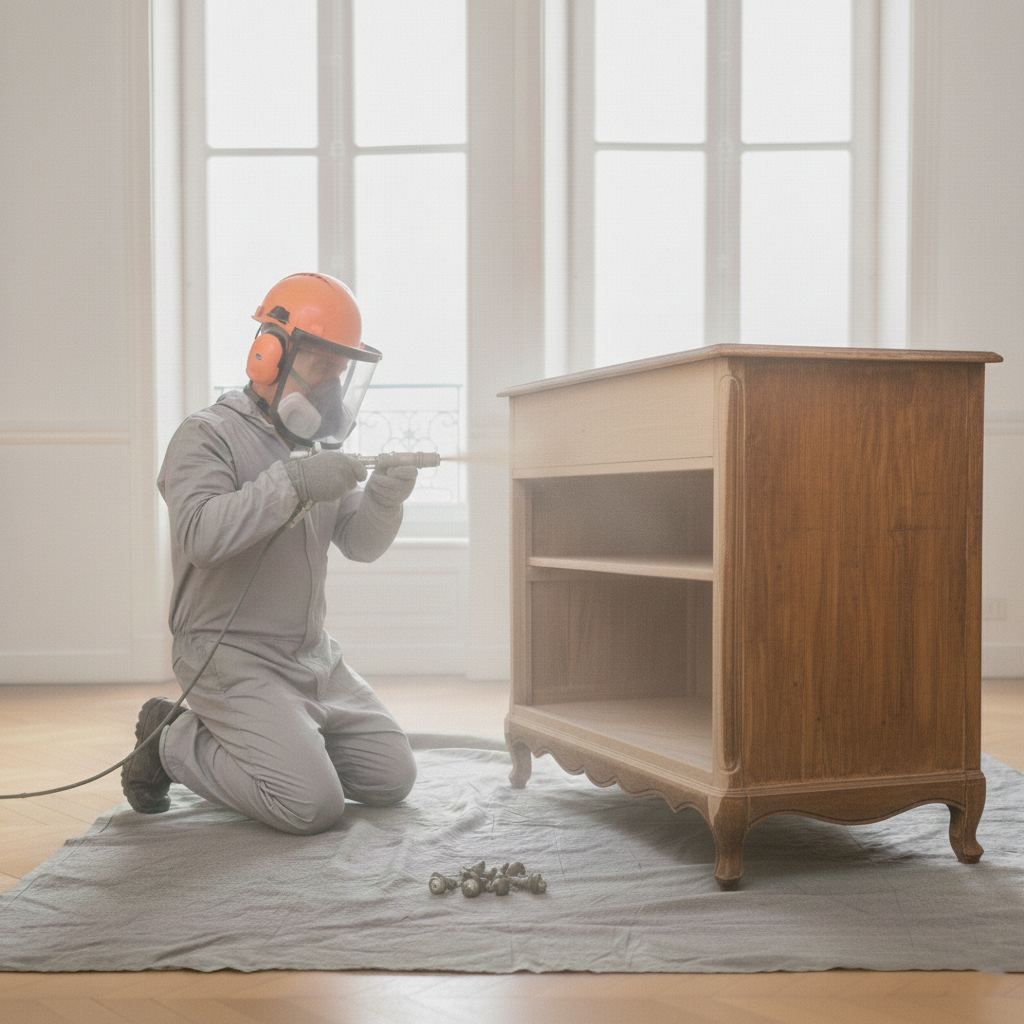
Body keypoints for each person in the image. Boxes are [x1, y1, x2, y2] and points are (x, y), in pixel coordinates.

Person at [120, 272, 418, 835]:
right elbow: (201, 535)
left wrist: (384, 497)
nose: (331, 384)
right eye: (320, 365)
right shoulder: (205, 436)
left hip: (311, 658)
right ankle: (171, 739)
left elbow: (360, 543)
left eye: (340, 369)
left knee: (391, 777)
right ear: (268, 354)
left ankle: (287, 737)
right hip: (229, 657)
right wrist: (296, 483)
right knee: (311, 807)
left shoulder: (318, 446)